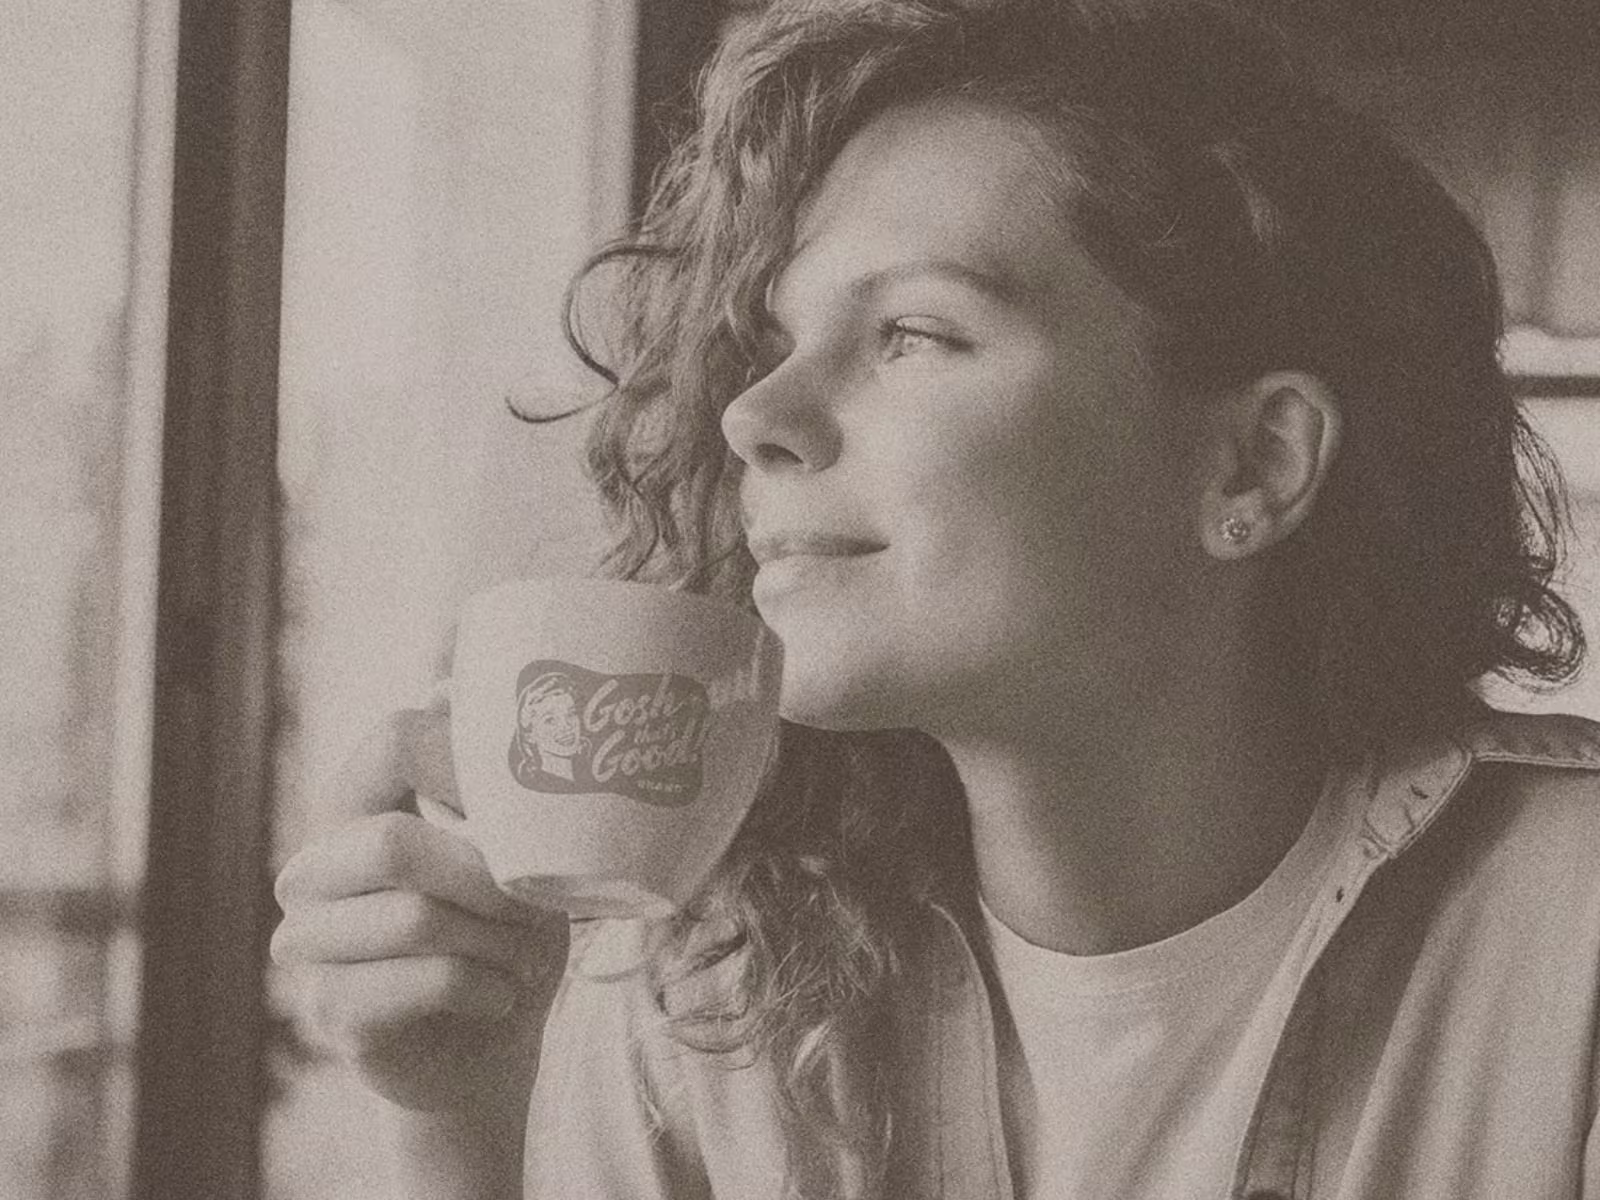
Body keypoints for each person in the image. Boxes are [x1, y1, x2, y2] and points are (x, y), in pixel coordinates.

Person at [270, 1, 1600, 1196]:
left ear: (1253, 461)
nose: (754, 415)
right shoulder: (702, 995)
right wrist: (456, 1122)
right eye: (780, 342)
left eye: (912, 333)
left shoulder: (1571, 943)